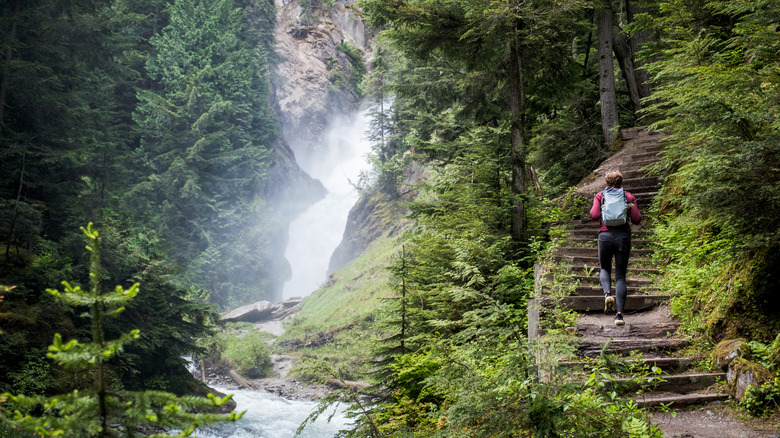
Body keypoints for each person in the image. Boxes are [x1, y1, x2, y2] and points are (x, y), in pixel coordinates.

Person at [589, 171, 642, 326]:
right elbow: (637, 219)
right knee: (620, 276)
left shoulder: (600, 196)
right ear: (621, 183)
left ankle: (607, 295)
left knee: (604, 268)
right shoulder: (628, 196)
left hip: (605, 237)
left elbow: (594, 215)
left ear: (606, 183)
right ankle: (619, 315)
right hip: (623, 238)